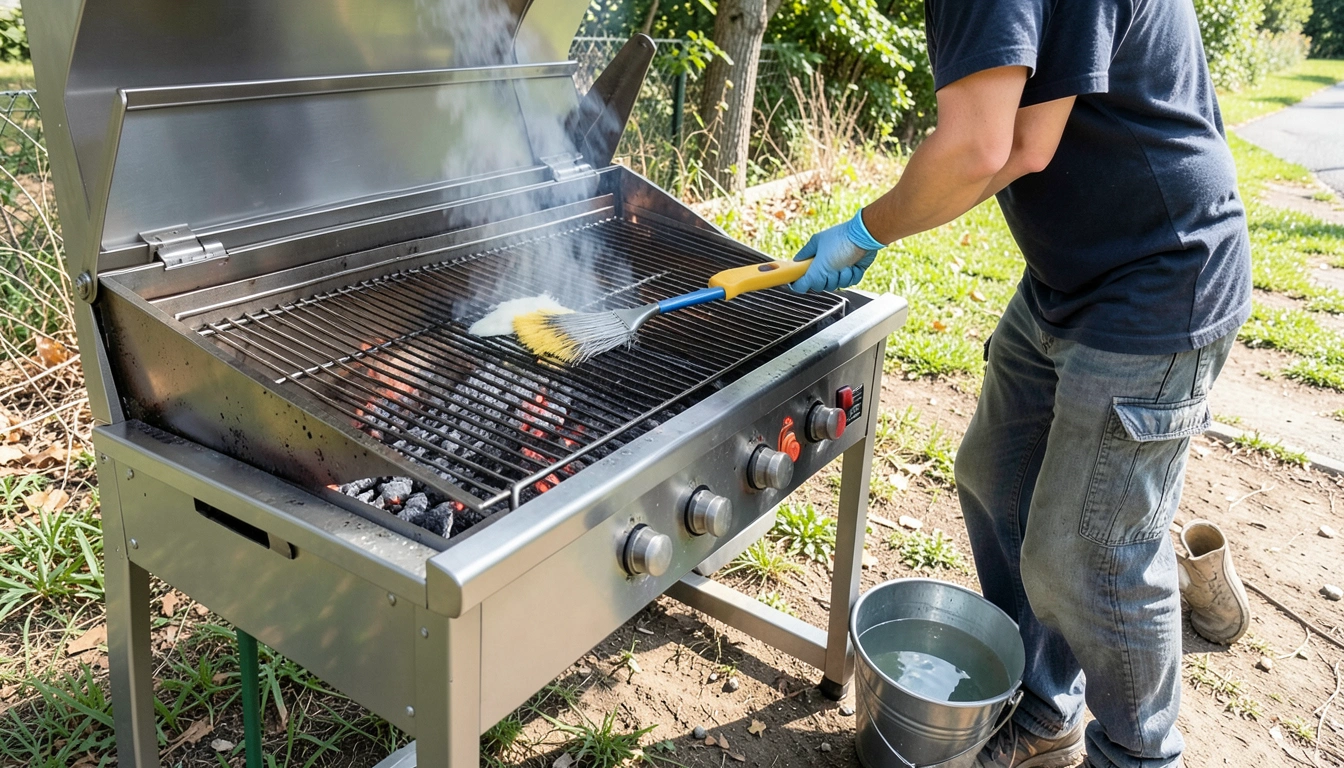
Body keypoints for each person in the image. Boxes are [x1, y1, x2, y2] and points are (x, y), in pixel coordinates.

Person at [787, 1, 1252, 766]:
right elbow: (1032, 141)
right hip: (1067, 277)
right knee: (996, 478)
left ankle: (1140, 753)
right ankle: (1044, 708)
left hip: (1159, 277)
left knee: (1092, 555)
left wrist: (868, 228)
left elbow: (979, 147)